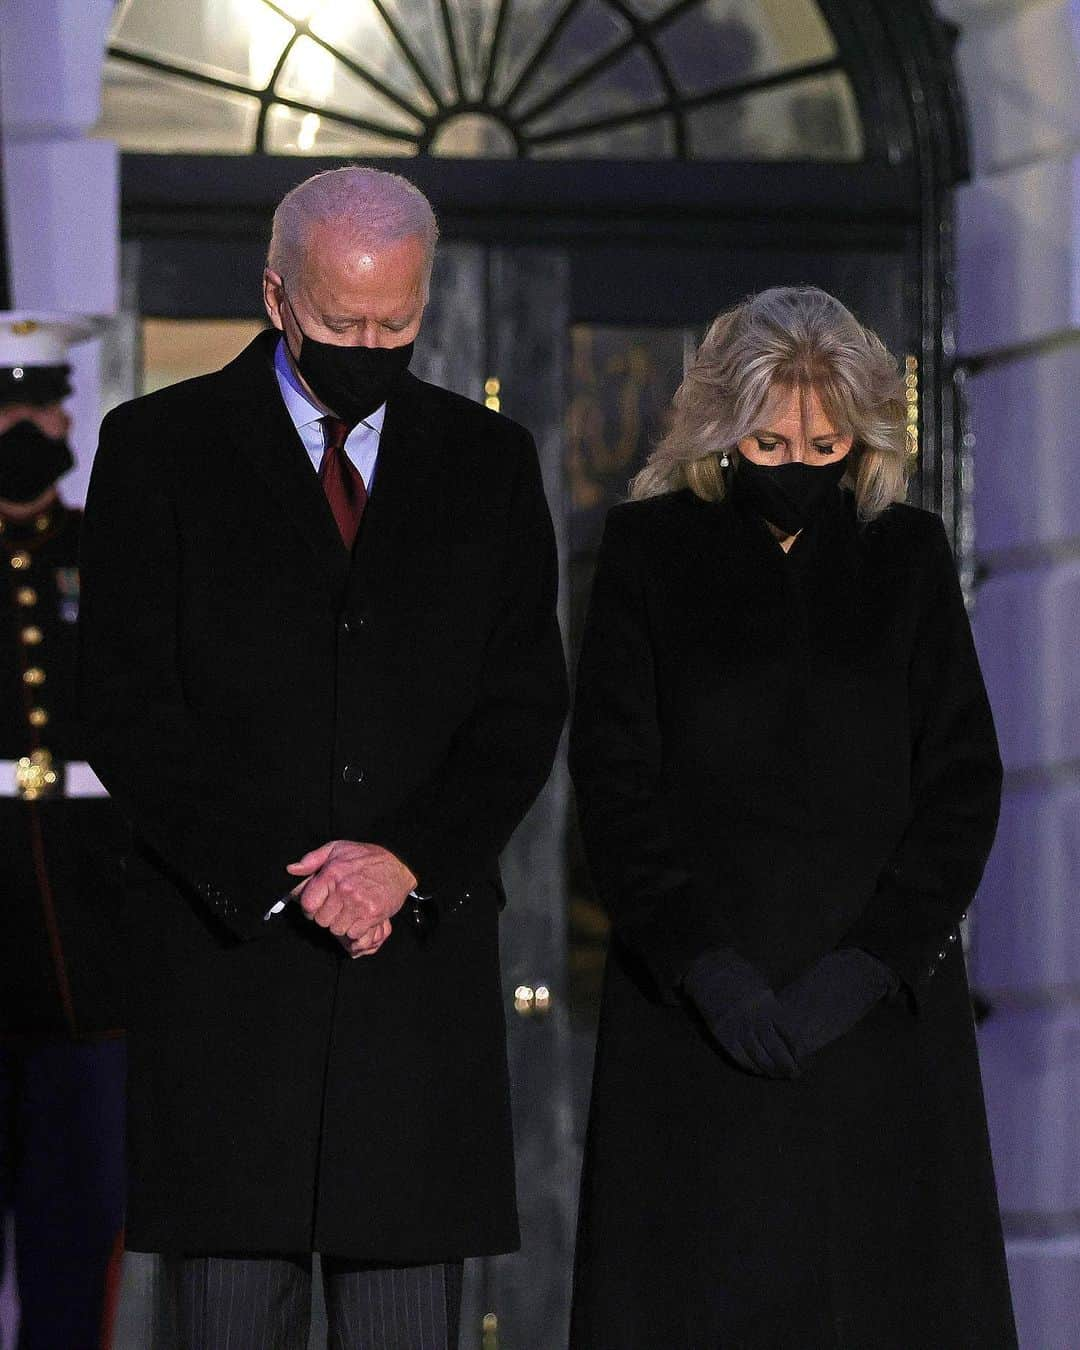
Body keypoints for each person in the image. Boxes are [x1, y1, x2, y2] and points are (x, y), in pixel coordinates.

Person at [78, 167, 568, 1349]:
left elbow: (521, 706)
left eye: (397, 323)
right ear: (277, 298)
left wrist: (406, 861)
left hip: (413, 990)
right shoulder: (156, 448)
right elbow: (129, 710)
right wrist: (285, 877)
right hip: (232, 980)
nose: (371, 343)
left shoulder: (488, 463)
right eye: (344, 322)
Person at [568, 286, 1017, 1348]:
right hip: (694, 1025)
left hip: (876, 1028)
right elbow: (614, 786)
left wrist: (871, 964)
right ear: (720, 434)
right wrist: (705, 969)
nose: (797, 466)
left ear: (861, 436)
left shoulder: (905, 555)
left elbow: (963, 782)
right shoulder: (647, 553)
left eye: (824, 443)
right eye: (769, 440)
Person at [0, 314, 127, 1349]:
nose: (25, 425)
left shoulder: (108, 554)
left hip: (88, 936)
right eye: (6, 409)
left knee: (79, 1212)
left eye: (39, 407)